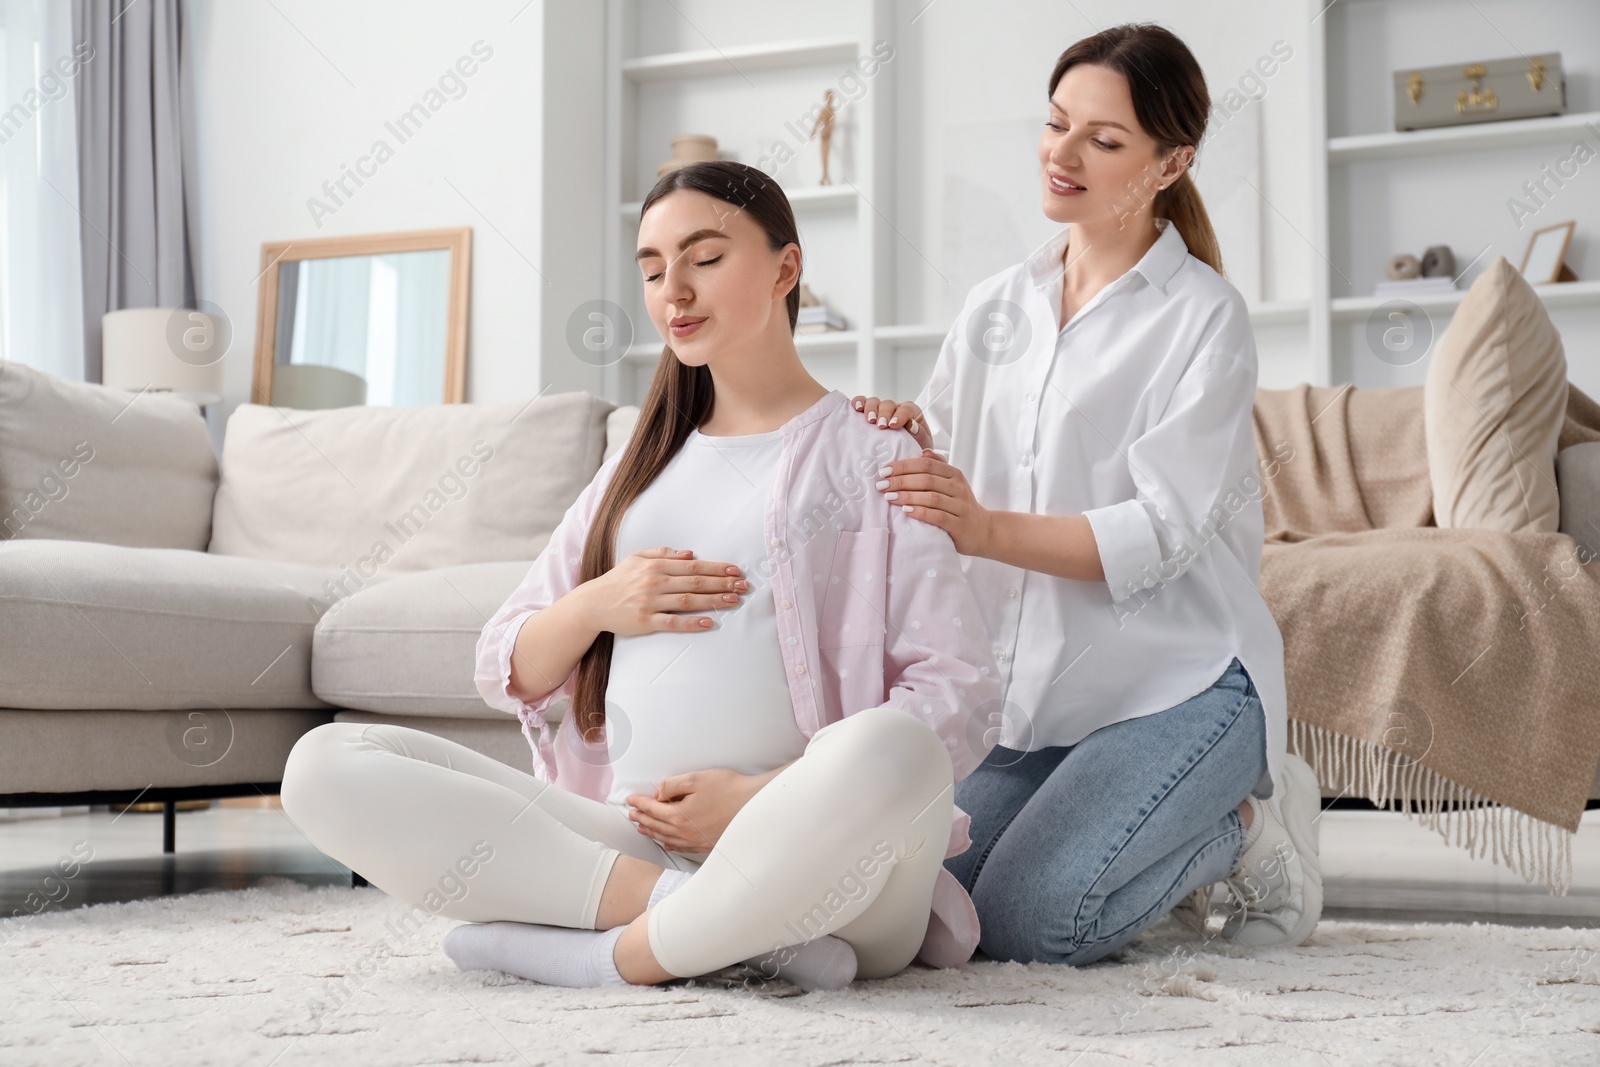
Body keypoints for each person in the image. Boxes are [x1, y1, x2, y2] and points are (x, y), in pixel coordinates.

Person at [279, 159, 1002, 992]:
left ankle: (610, 954)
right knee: (325, 763)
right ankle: (711, 923)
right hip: (632, 839)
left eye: (704, 258)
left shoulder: (876, 453)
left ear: (786, 268)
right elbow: (505, 662)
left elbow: (959, 688)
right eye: (654, 270)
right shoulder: (637, 467)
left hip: (833, 864)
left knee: (895, 747)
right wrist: (599, 602)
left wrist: (765, 798)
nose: (674, 291)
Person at [852, 23, 1323, 965]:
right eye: (1058, 124)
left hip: (1178, 685)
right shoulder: (996, 305)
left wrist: (981, 525)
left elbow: (1162, 531)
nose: (1062, 155)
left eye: (1103, 141)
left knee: (1035, 923)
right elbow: (956, 449)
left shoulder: (1203, 318)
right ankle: (1149, 839)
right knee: (939, 915)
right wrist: (905, 434)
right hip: (1032, 706)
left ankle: (1247, 832)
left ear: (1170, 161)